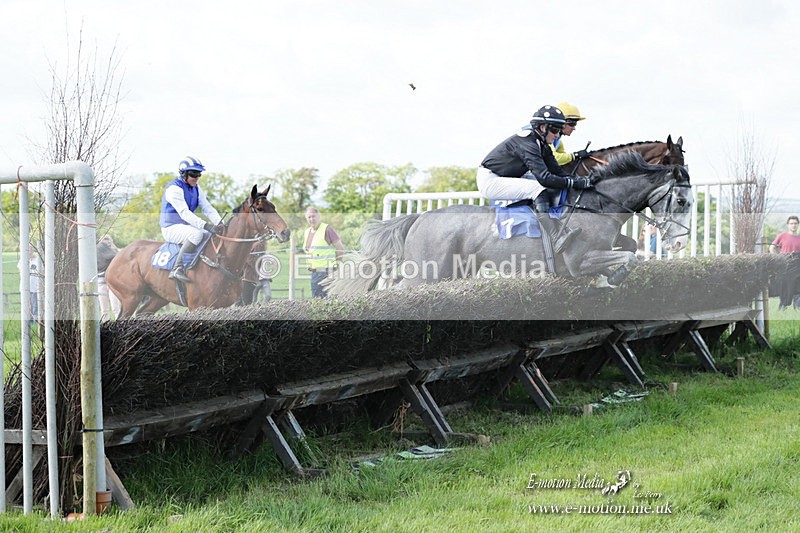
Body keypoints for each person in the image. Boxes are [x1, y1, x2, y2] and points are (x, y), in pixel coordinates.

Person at [477, 105, 592, 253]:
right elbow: (545, 178)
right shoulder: (528, 142)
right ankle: (555, 236)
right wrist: (573, 182)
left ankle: (539, 221)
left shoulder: (541, 142)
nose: (557, 135)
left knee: (549, 187)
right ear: (543, 127)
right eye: (555, 130)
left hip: (506, 176)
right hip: (491, 180)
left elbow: (556, 171)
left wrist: (581, 181)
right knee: (539, 188)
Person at [159, 156, 224, 282]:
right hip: (170, 227)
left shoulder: (197, 188)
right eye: (193, 173)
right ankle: (177, 269)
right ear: (184, 173)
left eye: (199, 174)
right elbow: (184, 213)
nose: (197, 177)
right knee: (197, 234)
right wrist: (206, 225)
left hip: (184, 227)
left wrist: (221, 223)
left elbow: (207, 207)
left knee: (209, 235)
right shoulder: (174, 189)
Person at [302, 207, 345, 298]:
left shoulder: (327, 229)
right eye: (309, 217)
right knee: (317, 301)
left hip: (327, 272)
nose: (312, 219)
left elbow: (340, 248)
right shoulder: (307, 232)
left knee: (324, 301)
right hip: (315, 273)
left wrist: (337, 265)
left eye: (313, 216)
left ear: (319, 216)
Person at [770, 216, 800, 309]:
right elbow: (772, 247)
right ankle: (783, 306)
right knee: (785, 285)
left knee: (798, 286)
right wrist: (777, 258)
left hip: (798, 264)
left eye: (795, 223)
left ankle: (798, 307)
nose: (793, 225)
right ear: (788, 225)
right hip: (785, 263)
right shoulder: (782, 236)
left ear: (798, 224)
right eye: (791, 223)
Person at [550, 101, 589, 167]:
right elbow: (553, 158)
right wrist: (575, 155)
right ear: (561, 123)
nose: (574, 128)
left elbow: (563, 162)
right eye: (572, 124)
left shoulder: (559, 142)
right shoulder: (546, 137)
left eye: (575, 124)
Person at [97, 235, 121, 320]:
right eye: (104, 239)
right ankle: (106, 328)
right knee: (104, 310)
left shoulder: (114, 252)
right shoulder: (97, 251)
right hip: (101, 283)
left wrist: (113, 247)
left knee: (116, 308)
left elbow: (121, 257)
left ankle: (121, 328)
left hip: (112, 284)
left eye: (108, 240)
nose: (106, 242)